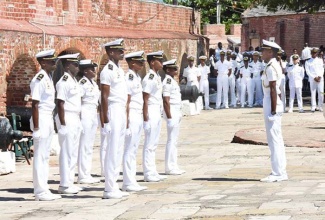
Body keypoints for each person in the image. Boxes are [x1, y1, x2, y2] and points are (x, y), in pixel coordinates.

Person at [30, 49, 61, 201]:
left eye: (54, 61)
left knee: (45, 156)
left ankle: (44, 187)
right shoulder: (39, 78)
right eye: (50, 61)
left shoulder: (49, 78)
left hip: (48, 117)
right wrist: (36, 128)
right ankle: (39, 191)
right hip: (41, 118)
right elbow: (35, 104)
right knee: (40, 155)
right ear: (42, 63)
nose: (54, 63)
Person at [100, 38, 129, 199]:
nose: (122, 52)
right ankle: (109, 188)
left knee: (118, 149)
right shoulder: (107, 71)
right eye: (119, 50)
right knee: (112, 149)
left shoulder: (118, 69)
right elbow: (104, 97)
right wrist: (105, 121)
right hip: (113, 110)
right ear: (111, 52)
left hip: (121, 109)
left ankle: (114, 184)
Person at [55, 53, 83, 194]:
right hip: (67, 117)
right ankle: (64, 184)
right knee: (66, 151)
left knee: (73, 151)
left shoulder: (74, 81)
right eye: (75, 64)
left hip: (75, 117)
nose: (77, 67)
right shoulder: (64, 81)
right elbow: (60, 103)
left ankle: (70, 182)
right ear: (67, 65)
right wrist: (63, 125)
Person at [260, 39, 287, 182]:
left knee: (274, 140)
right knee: (277, 139)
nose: (262, 53)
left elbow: (272, 89)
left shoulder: (271, 67)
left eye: (264, 51)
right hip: (273, 102)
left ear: (270, 52)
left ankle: (277, 173)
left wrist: (273, 110)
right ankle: (280, 171)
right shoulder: (275, 65)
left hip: (271, 102)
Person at [122, 51, 148, 192]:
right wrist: (126, 123)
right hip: (131, 115)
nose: (142, 64)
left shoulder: (136, 77)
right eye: (139, 62)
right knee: (129, 149)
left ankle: (131, 180)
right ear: (132, 63)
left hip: (137, 115)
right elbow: (127, 101)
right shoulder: (129, 78)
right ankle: (127, 182)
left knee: (133, 149)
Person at [142, 51, 167, 182]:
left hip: (157, 111)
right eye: (159, 60)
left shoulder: (157, 77)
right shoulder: (149, 78)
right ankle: (148, 172)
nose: (161, 63)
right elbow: (145, 99)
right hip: (151, 111)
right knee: (149, 143)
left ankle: (153, 170)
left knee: (154, 143)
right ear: (152, 62)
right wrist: (145, 119)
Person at [77, 60, 101, 184]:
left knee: (90, 145)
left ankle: (87, 172)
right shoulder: (82, 83)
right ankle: (82, 174)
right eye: (92, 69)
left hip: (93, 113)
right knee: (84, 145)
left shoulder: (93, 84)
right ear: (85, 71)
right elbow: (78, 100)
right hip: (85, 112)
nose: (94, 71)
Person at [162, 59, 186, 175]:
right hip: (172, 111)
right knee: (171, 140)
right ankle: (169, 167)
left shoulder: (172, 81)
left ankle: (174, 164)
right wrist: (169, 117)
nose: (176, 70)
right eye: (174, 68)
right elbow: (166, 101)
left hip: (177, 110)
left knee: (174, 140)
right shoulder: (167, 81)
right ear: (168, 70)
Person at [305, 48, 324, 112]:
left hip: (320, 79)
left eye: (315, 53)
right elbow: (308, 71)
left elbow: (322, 69)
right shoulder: (308, 62)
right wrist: (314, 77)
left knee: (321, 93)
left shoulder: (320, 60)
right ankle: (313, 106)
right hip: (313, 79)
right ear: (311, 54)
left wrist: (320, 76)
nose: (314, 54)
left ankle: (320, 106)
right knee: (313, 93)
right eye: (313, 53)